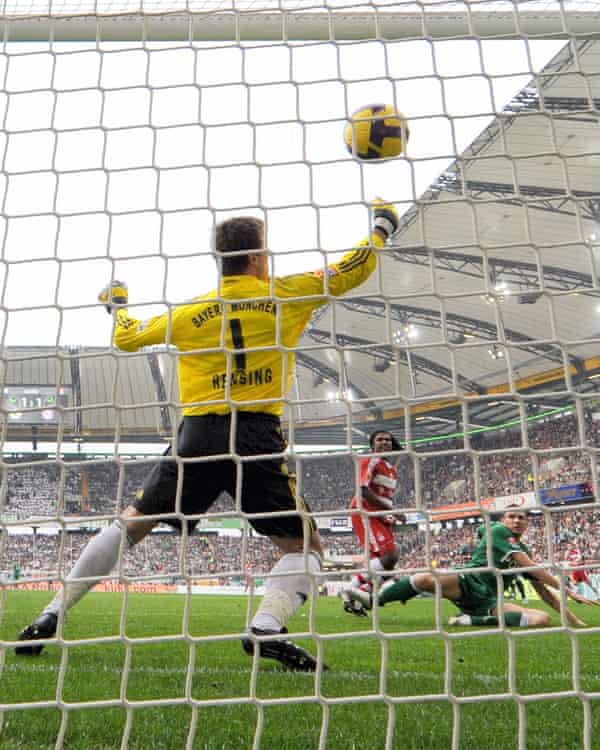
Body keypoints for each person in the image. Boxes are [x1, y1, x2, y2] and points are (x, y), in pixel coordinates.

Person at [16, 199, 400, 670]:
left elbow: (129, 337)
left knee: (132, 522)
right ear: (257, 258)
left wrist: (117, 305)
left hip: (196, 435)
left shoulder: (190, 313)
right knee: (306, 549)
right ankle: (265, 628)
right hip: (255, 435)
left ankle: (49, 615)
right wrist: (380, 228)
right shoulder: (288, 294)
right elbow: (350, 270)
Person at [346, 508, 599, 628]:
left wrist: (576, 621)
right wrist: (567, 588)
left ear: (527, 524)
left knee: (542, 619)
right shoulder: (500, 532)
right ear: (502, 521)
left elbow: (543, 593)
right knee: (424, 578)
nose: (517, 520)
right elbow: (527, 564)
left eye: (522, 517)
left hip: (488, 599)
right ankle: (373, 600)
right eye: (512, 516)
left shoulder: (521, 549)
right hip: (467, 582)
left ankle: (472, 620)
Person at [341, 429, 405, 616]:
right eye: (380, 439)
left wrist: (391, 514)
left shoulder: (391, 469)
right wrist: (392, 511)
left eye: (388, 439)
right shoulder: (370, 461)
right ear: (372, 444)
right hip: (366, 511)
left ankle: (353, 595)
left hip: (380, 514)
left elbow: (384, 495)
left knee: (390, 561)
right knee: (390, 557)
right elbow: (364, 491)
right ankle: (356, 590)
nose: (385, 442)